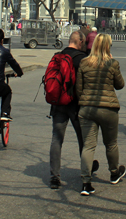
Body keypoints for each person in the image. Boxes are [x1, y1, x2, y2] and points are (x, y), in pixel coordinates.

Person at [75, 33, 126, 196]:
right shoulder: (112, 63)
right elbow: (120, 85)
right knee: (111, 143)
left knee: (88, 145)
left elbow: (79, 88)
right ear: (108, 47)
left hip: (87, 108)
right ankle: (114, 173)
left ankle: (86, 182)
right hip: (108, 108)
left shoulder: (84, 62)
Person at [49, 30, 99, 189]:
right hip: (76, 104)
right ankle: (86, 170)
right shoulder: (82, 59)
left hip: (58, 103)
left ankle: (55, 177)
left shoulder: (57, 56)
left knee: (57, 139)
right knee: (83, 139)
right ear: (80, 42)